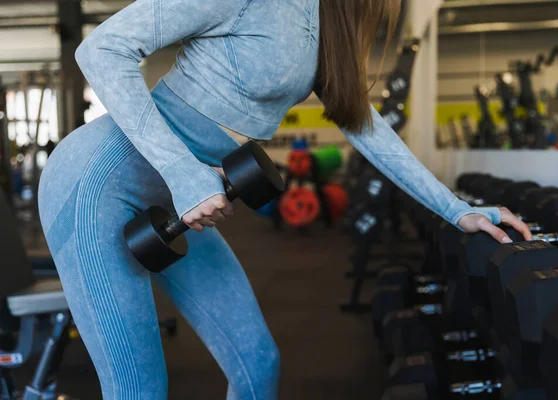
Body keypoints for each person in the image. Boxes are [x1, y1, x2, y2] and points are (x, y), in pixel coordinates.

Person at [37, 0, 532, 398]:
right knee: (139, 390)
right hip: (95, 183)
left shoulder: (325, 21)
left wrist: (455, 209)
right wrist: (182, 170)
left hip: (175, 193)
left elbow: (364, 124)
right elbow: (100, 49)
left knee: (258, 364)